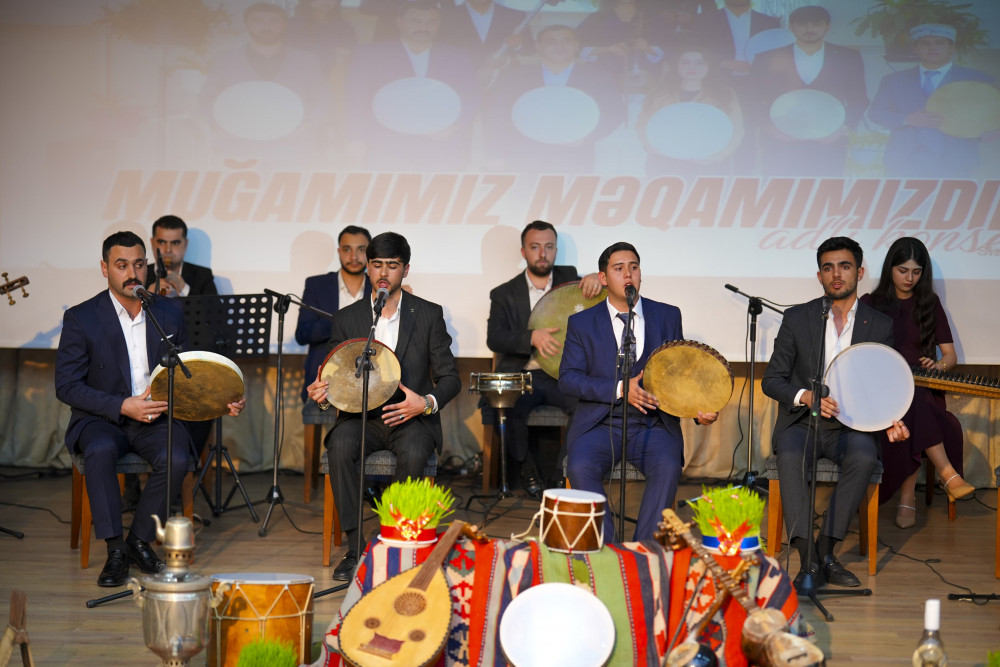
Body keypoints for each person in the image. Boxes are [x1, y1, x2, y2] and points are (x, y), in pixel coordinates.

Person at [55, 231, 245, 587]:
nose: (132, 273)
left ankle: (139, 541)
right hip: (102, 417)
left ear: (148, 267)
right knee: (100, 449)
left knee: (177, 456)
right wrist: (121, 405)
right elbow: (66, 385)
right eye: (121, 265)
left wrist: (223, 398)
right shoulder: (82, 317)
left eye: (139, 264)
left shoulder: (167, 311)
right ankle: (115, 550)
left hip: (155, 414)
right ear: (105, 269)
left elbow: (187, 372)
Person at [307, 232, 460, 580]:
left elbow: (450, 378)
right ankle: (355, 548)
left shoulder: (429, 314)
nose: (383, 273)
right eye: (377, 264)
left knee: (415, 451)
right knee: (340, 444)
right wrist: (322, 393)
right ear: (368, 268)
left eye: (392, 265)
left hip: (410, 417)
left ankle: (396, 542)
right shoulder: (347, 318)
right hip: (361, 416)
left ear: (405, 270)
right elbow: (334, 377)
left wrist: (425, 403)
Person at [761, 236, 909, 591]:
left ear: (859, 272)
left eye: (844, 266)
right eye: (828, 268)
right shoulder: (798, 318)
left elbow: (885, 381)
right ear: (819, 276)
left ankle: (825, 551)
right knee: (790, 454)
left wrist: (892, 419)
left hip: (852, 425)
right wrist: (805, 396)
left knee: (864, 455)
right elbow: (772, 380)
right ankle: (807, 560)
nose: (836, 274)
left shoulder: (879, 324)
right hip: (802, 422)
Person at [559, 242, 718, 542]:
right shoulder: (582, 323)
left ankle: (645, 551)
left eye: (634, 267)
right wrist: (621, 388)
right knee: (579, 466)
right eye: (618, 268)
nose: (628, 274)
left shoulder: (667, 315)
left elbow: (679, 374)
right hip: (600, 422)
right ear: (603, 278)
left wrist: (697, 410)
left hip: (652, 423)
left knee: (668, 466)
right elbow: (568, 379)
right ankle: (607, 550)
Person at [860, 237, 971, 528]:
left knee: (915, 396)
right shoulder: (870, 303)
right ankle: (946, 475)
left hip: (921, 387)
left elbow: (950, 356)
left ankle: (910, 495)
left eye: (916, 272)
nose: (910, 278)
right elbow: (857, 354)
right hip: (880, 391)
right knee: (912, 398)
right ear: (890, 269)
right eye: (903, 270)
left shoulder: (929, 303)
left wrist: (938, 365)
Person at [486, 221, 602, 496]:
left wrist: (599, 278)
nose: (542, 253)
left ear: (555, 251)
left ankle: (561, 475)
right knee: (508, 406)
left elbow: (601, 302)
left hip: (564, 375)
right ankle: (527, 471)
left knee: (586, 406)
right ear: (523, 251)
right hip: (525, 373)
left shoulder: (572, 280)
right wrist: (530, 337)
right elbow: (495, 338)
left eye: (548, 247)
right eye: (535, 247)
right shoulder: (504, 293)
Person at [344, 0, 480, 172]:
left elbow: (472, 97)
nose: (423, 27)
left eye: (431, 22)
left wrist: (454, 126)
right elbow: (355, 100)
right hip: (386, 145)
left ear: (439, 24)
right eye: (415, 21)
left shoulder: (457, 57)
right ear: (399, 22)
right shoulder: (369, 54)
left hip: (441, 146)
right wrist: (355, 139)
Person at [482, 24, 625, 174]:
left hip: (575, 158)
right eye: (551, 41)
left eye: (566, 40)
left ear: (577, 45)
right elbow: (496, 115)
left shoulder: (598, 77)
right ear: (538, 47)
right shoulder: (514, 76)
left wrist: (585, 138)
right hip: (522, 156)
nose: (559, 45)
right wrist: (494, 156)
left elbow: (614, 112)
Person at [750, 5, 869, 177]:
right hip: (780, 142)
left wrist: (842, 129)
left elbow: (859, 99)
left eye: (816, 24)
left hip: (829, 142)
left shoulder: (848, 57)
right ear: (791, 27)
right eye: (802, 24)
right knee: (781, 188)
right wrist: (770, 128)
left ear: (827, 27)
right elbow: (752, 98)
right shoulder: (767, 58)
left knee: (826, 188)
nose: (809, 29)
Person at [868, 23, 997, 178]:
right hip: (904, 162)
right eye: (925, 43)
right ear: (915, 48)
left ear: (952, 47)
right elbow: (875, 113)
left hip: (956, 161)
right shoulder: (894, 80)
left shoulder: (978, 80)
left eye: (940, 43)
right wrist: (907, 119)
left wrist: (991, 131)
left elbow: (993, 114)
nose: (932, 48)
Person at [637, 43, 744, 176]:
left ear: (709, 66)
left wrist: (716, 157)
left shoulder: (725, 94)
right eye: (685, 62)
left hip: (706, 165)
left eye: (699, 63)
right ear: (676, 65)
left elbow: (737, 130)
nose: (692, 67)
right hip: (664, 162)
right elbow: (643, 123)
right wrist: (650, 146)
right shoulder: (660, 92)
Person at [295, 226, 372, 402]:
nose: (354, 257)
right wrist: (342, 322)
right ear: (339, 252)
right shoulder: (317, 285)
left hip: (370, 382)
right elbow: (302, 333)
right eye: (347, 249)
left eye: (361, 250)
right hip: (324, 384)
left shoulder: (379, 287)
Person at [143, 215, 217, 298]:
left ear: (186, 244)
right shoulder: (138, 273)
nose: (168, 250)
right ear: (152, 243)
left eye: (175, 243)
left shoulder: (203, 275)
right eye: (162, 242)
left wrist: (184, 289)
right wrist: (147, 296)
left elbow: (214, 306)